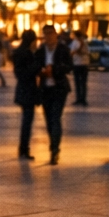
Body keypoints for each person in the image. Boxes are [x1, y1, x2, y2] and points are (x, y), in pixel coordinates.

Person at [34, 25, 74, 164]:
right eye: (45, 34)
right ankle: (53, 144)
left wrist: (55, 70)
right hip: (45, 88)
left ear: (56, 34)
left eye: (50, 33)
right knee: (48, 119)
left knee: (56, 117)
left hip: (59, 88)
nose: (48, 36)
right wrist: (43, 71)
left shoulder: (63, 49)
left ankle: (55, 149)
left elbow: (69, 67)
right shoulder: (40, 50)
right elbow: (35, 67)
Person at [10, 30, 42, 160]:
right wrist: (37, 66)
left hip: (22, 89)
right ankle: (24, 149)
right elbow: (26, 72)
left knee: (26, 120)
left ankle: (23, 148)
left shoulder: (18, 52)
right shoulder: (27, 53)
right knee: (27, 121)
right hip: (28, 89)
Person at [69, 30, 91, 107]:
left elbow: (72, 53)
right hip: (83, 64)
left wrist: (76, 52)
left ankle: (80, 99)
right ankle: (81, 99)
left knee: (79, 82)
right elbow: (87, 52)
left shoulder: (76, 42)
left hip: (78, 64)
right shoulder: (84, 42)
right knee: (82, 83)